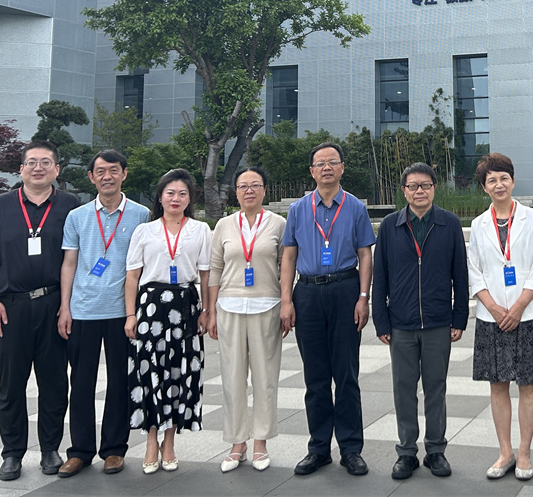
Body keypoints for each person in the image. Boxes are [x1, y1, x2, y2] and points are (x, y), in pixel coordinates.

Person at [0, 140, 79, 482]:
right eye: (31, 162)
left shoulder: (70, 206)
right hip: (10, 307)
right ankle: (12, 453)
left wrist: (67, 306)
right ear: (21, 169)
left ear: (57, 169)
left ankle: (50, 449)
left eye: (46, 162)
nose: (38, 168)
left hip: (53, 306)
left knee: (54, 382)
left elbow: (75, 259)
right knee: (11, 384)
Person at [279, 142, 376, 476]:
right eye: (320, 163)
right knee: (315, 375)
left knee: (346, 374)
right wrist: (287, 301)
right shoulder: (297, 209)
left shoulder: (355, 207)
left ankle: (351, 449)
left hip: (345, 289)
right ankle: (318, 448)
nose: (326, 168)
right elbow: (289, 256)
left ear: (342, 168)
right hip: (307, 293)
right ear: (312, 171)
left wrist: (363, 297)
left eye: (332, 162)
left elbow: (365, 254)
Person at [371, 162, 469, 480]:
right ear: (404, 191)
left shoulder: (449, 223)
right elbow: (380, 277)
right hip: (401, 323)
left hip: (439, 322)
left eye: (425, 185)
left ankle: (436, 450)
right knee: (403, 389)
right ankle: (406, 452)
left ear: (434, 188)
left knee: (436, 388)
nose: (419, 191)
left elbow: (460, 275)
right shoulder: (390, 226)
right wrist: (381, 321)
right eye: (412, 186)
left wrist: (459, 316)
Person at [56, 149, 148, 477]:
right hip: (83, 310)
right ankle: (80, 451)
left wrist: (136, 312)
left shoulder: (141, 215)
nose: (107, 176)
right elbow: (69, 263)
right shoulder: (77, 216)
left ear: (124, 173)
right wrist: (65, 307)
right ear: (91, 177)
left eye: (113, 170)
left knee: (121, 381)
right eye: (100, 171)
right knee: (81, 382)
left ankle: (114, 449)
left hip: (123, 311)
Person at [467, 152, 533, 482]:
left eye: (504, 177)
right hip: (492, 316)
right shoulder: (479, 224)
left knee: (528, 384)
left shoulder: (532, 219)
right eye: (491, 180)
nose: (499, 184)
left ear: (513, 181)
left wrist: (518, 307)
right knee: (498, 384)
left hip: (528, 314)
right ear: (484, 187)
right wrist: (492, 307)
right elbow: (474, 271)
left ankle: (525, 452)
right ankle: (505, 452)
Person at [124, 168, 211, 473]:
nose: (176, 198)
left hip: (186, 305)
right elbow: (132, 276)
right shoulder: (144, 231)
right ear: (160, 197)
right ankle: (151, 439)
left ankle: (170, 440)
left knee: (179, 372)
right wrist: (131, 314)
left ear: (190, 198)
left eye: (182, 193)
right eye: (170, 193)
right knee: (150, 371)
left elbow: (205, 275)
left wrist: (206, 310)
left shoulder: (200, 230)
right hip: (150, 308)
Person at [206, 167, 287, 473]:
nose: (249, 190)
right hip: (229, 306)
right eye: (243, 186)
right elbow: (215, 268)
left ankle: (261, 441)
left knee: (265, 378)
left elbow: (285, 265)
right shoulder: (224, 225)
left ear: (265, 189)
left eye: (255, 185)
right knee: (232, 378)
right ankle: (237, 442)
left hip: (267, 306)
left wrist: (287, 304)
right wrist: (211, 310)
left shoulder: (278, 224)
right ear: (236, 192)